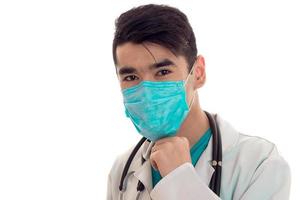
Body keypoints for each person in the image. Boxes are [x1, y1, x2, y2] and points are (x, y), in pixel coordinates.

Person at [107, 4, 291, 200]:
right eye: (131, 77)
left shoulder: (260, 164)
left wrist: (180, 180)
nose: (146, 91)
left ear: (198, 72)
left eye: (163, 72)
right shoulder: (122, 171)